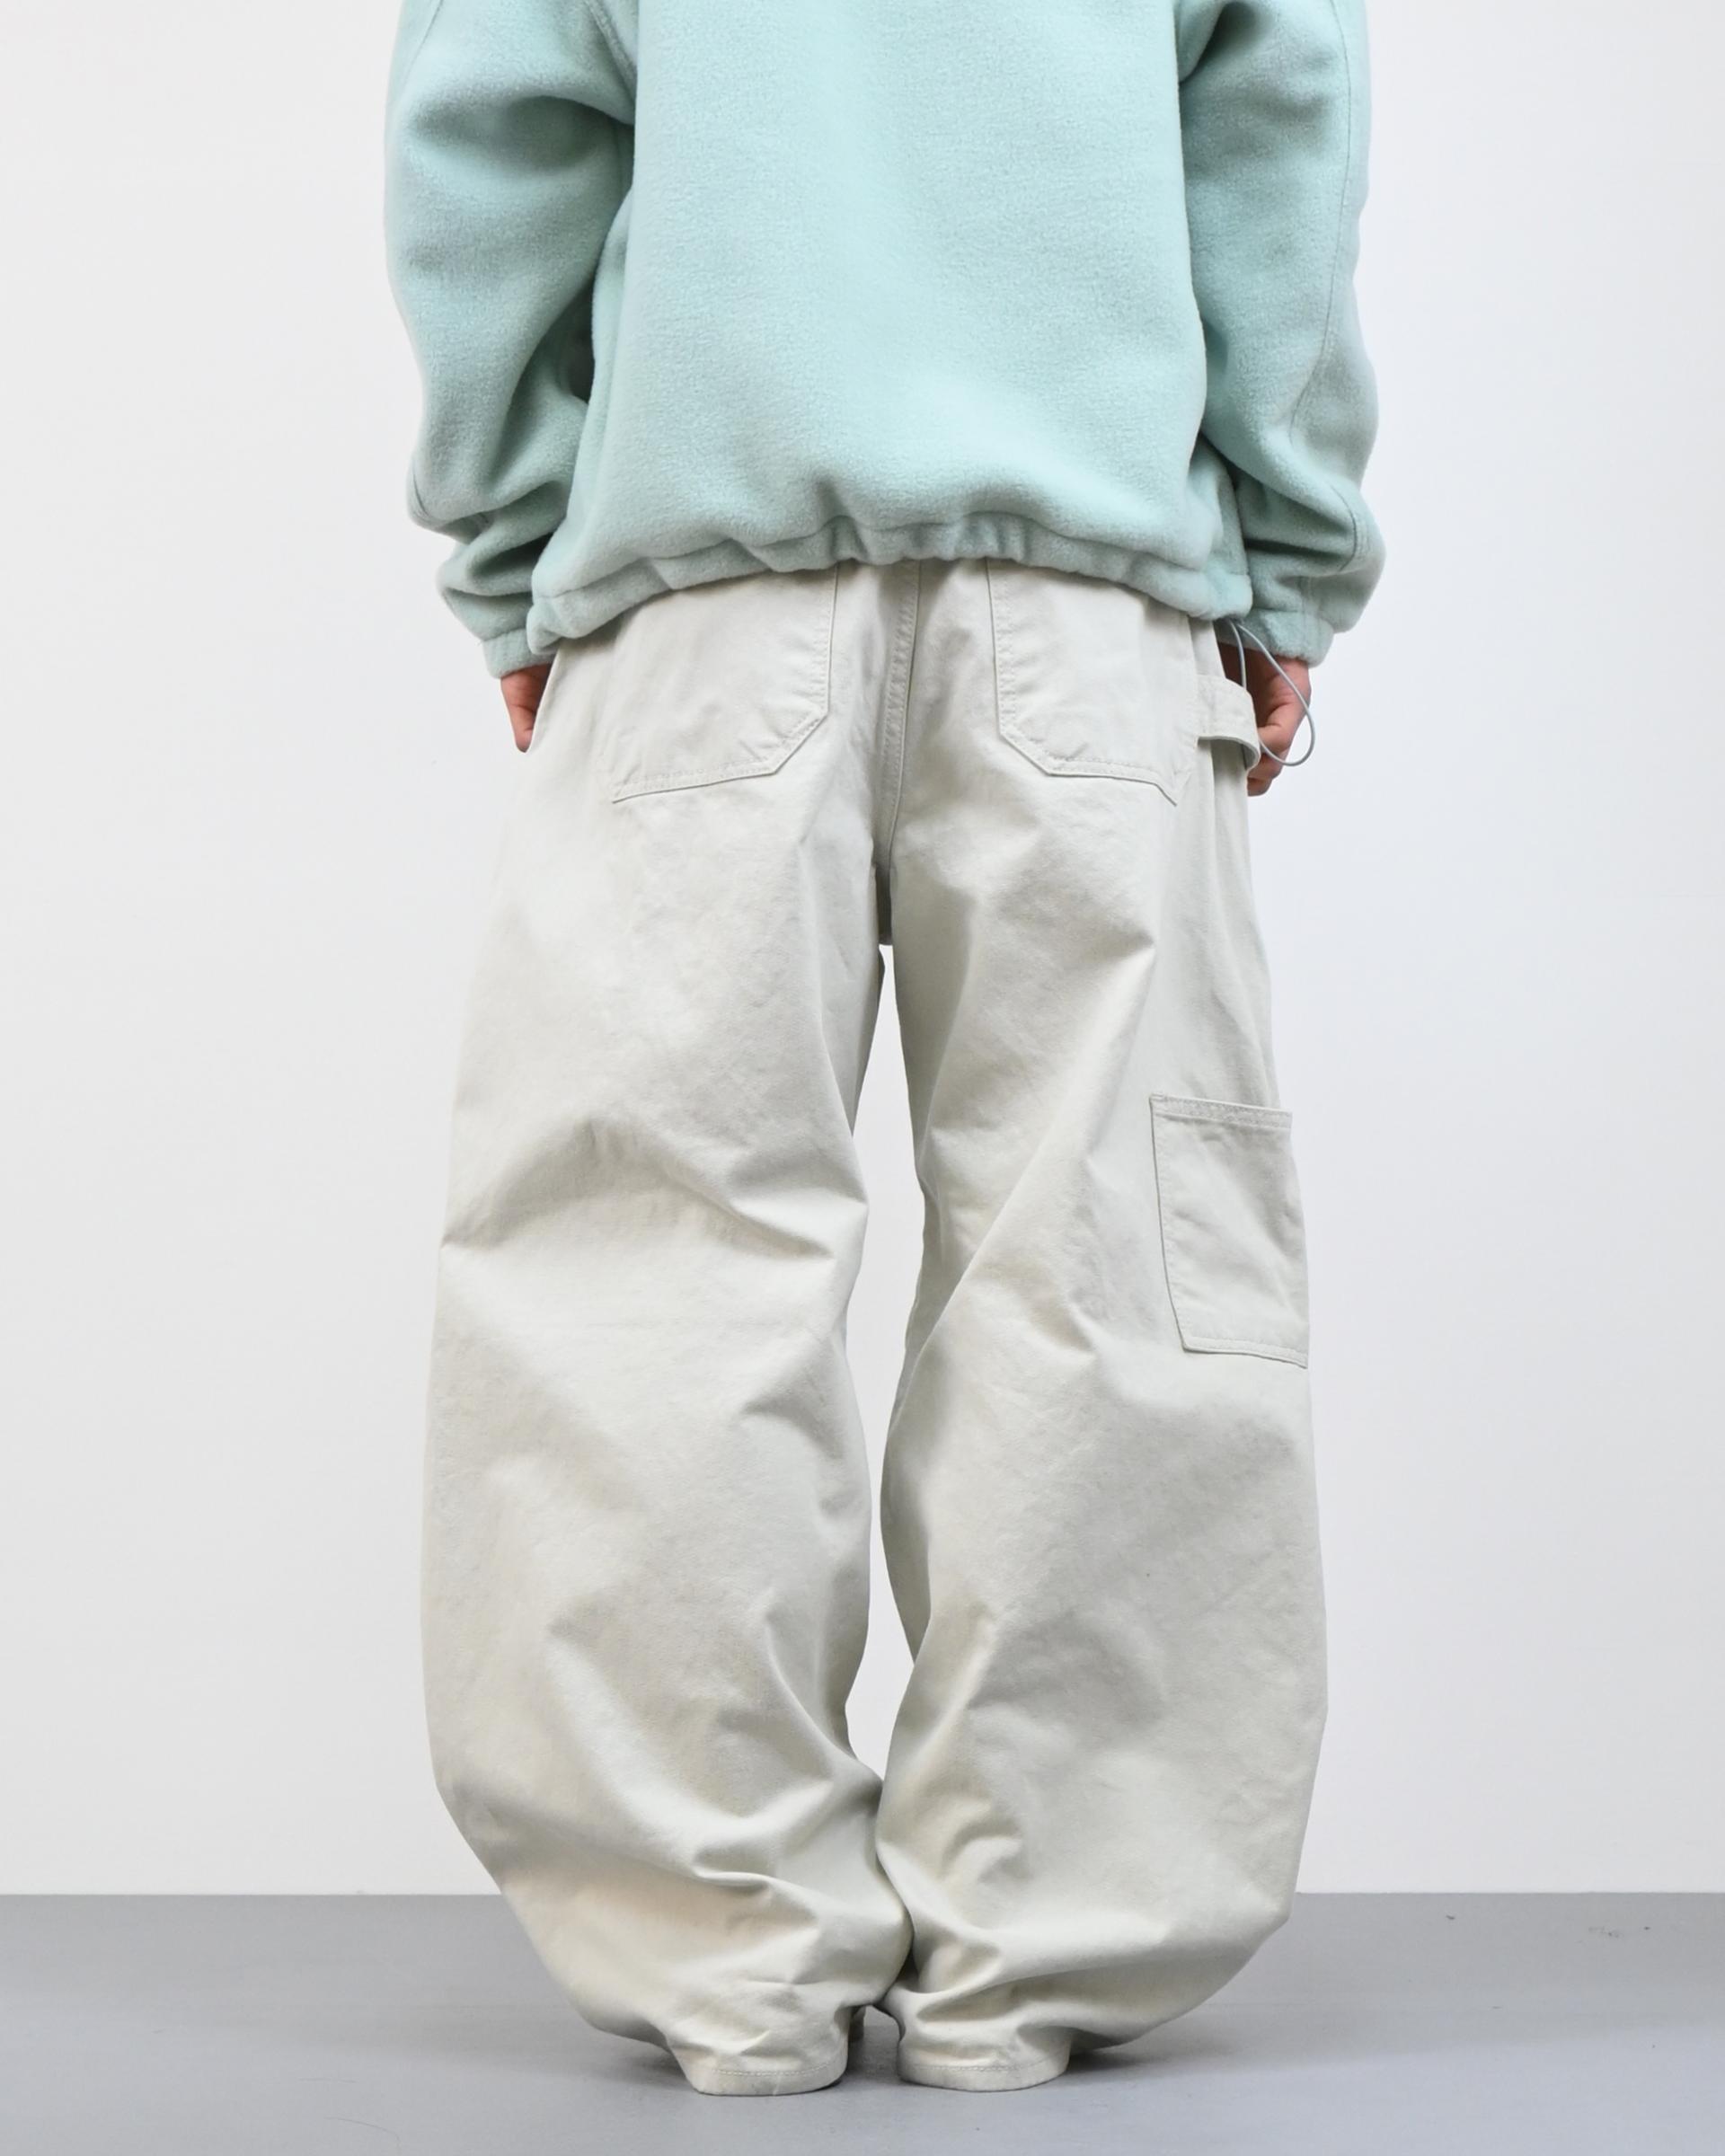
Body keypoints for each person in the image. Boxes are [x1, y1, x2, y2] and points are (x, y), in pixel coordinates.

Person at [385, 0, 1383, 2099]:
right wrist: (1285, 561)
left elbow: (495, 138)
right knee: (1107, 1264)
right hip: (1092, 614)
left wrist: (524, 550)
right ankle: (1045, 1950)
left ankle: (722, 1955)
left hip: (696, 607)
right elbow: (1274, 129)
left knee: (645, 1275)